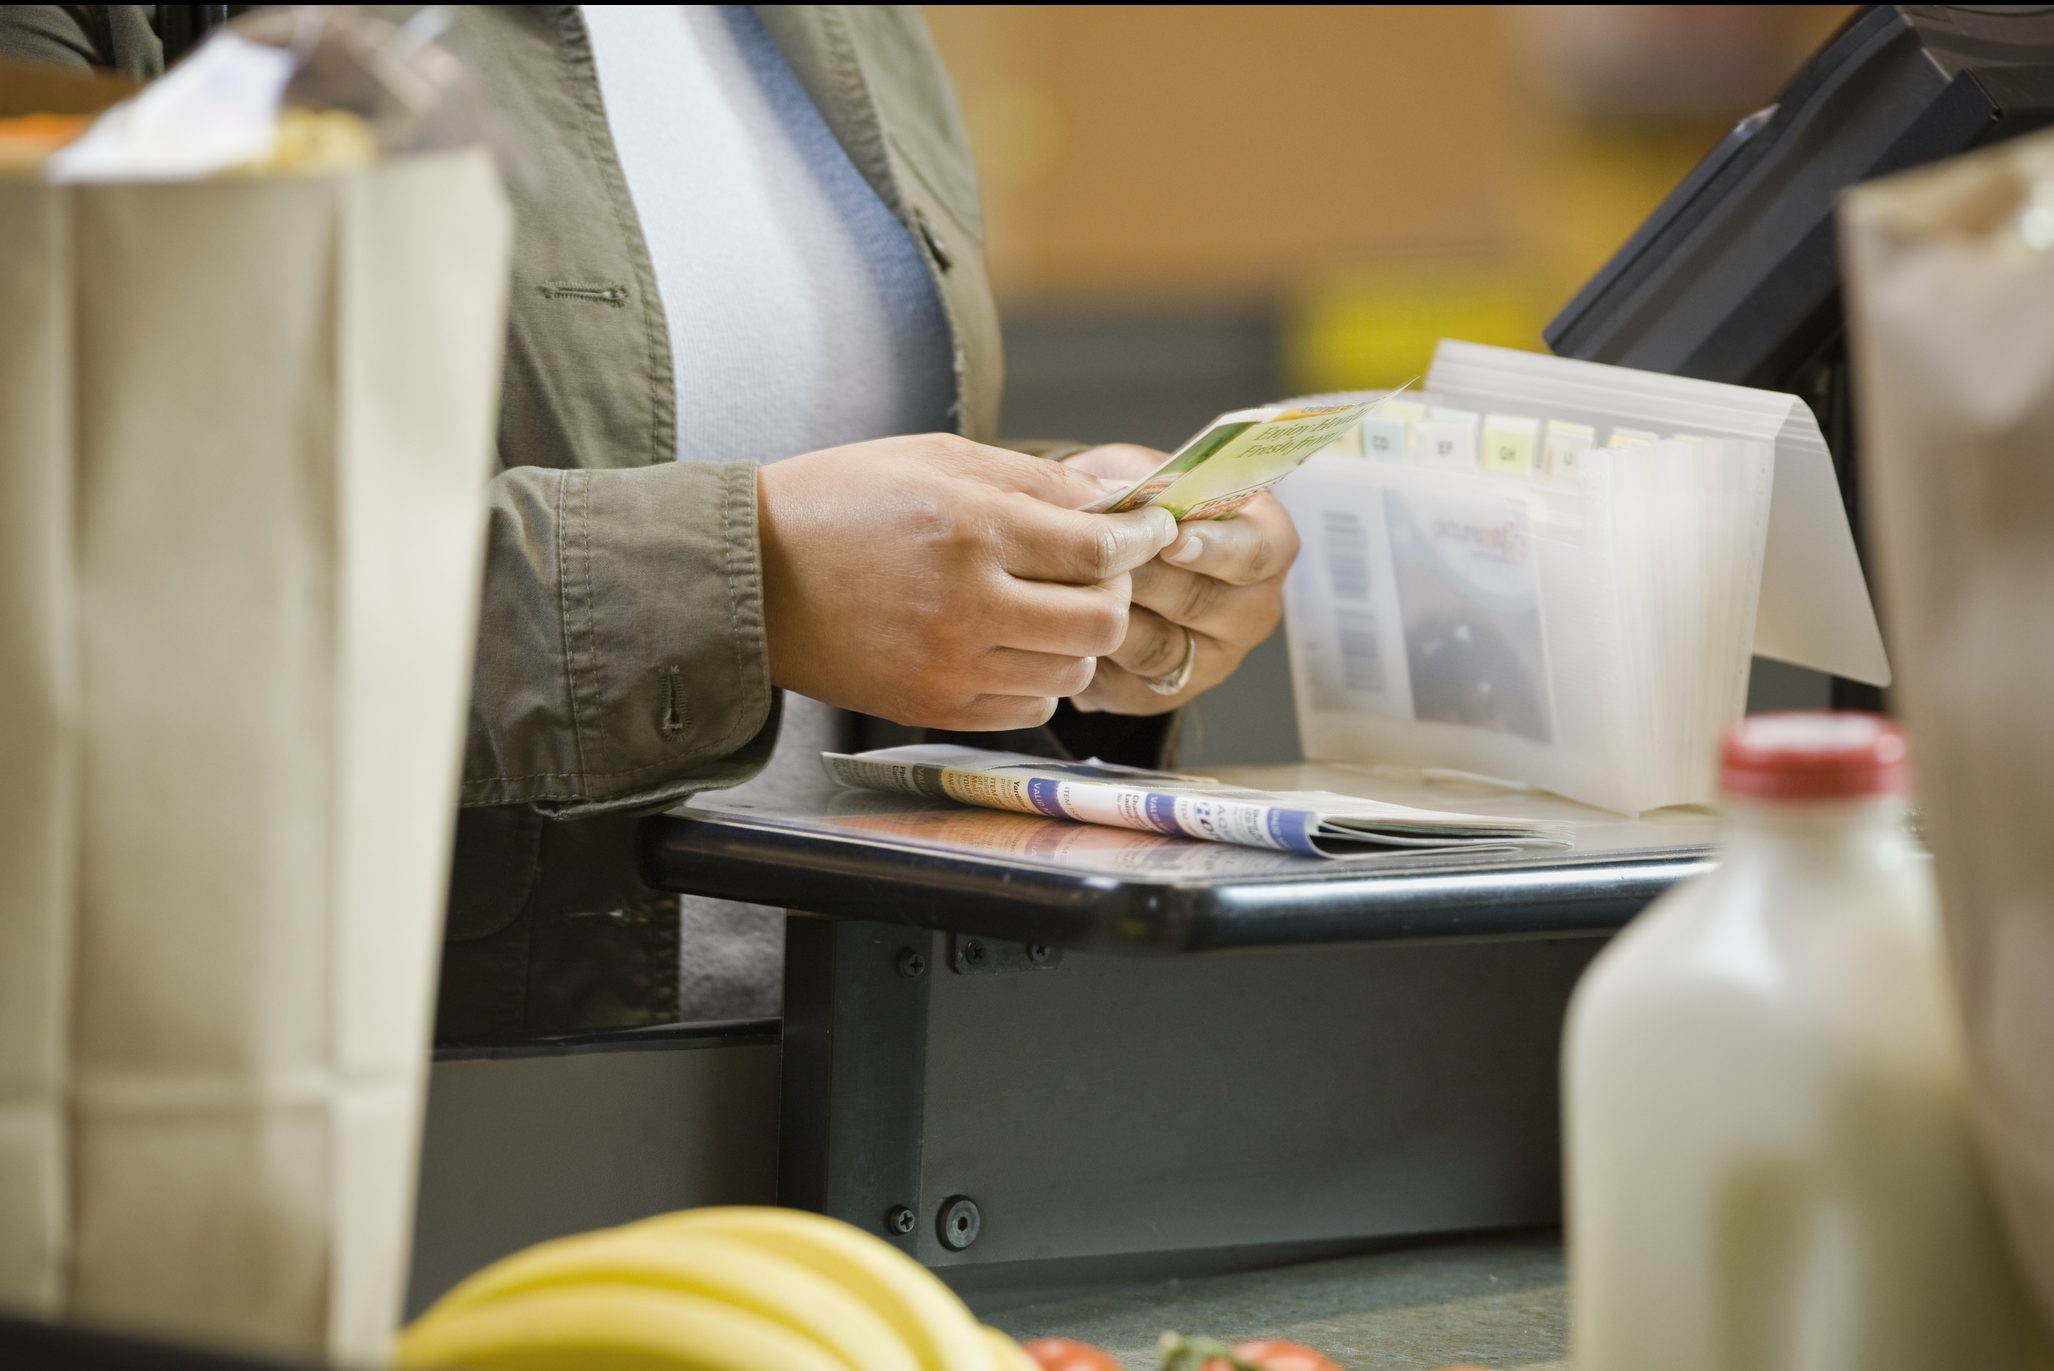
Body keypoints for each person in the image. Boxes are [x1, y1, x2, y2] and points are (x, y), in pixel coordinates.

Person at [2, 5, 1302, 1036]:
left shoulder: (842, 31)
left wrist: (1076, 592)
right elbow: (72, 575)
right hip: (368, 1109)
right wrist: (746, 584)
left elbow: (804, 488)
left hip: (859, 1091)